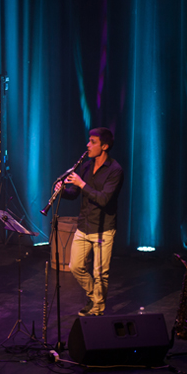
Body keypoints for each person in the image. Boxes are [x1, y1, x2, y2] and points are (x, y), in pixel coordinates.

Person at [56, 127, 123, 317]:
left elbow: (104, 199)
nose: (87, 145)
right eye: (89, 140)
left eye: (92, 142)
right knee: (75, 267)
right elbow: (76, 193)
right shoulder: (86, 166)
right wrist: (63, 190)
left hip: (103, 229)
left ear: (105, 146)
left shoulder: (115, 170)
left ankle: (98, 310)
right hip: (84, 226)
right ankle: (94, 297)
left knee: (100, 274)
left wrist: (81, 184)